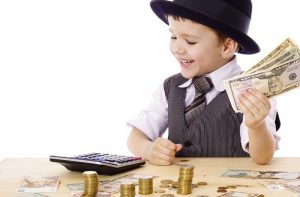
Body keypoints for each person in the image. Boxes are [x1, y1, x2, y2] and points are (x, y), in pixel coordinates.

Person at [127, 0, 281, 166]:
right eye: (173, 36)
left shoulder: (253, 91)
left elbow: (263, 157)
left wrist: (256, 126)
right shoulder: (170, 87)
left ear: (227, 47)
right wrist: (148, 150)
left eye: (190, 42)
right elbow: (136, 136)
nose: (177, 48)